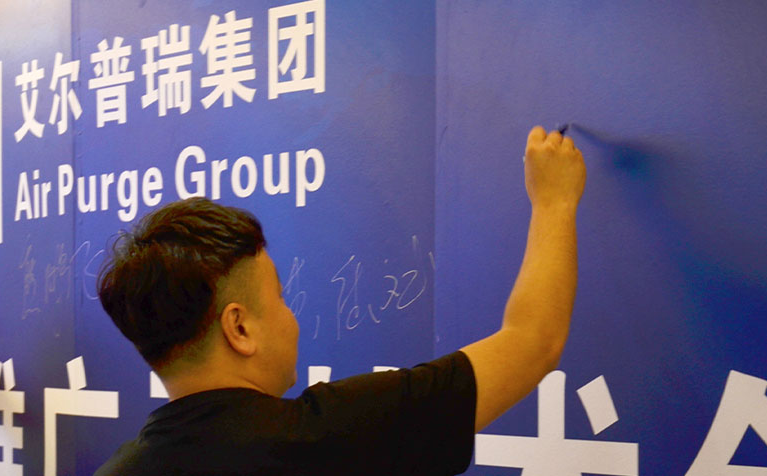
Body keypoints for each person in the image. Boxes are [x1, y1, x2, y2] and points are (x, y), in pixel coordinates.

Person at [94, 126, 586, 475]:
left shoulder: (121, 469)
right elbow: (533, 342)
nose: (292, 319)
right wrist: (554, 203)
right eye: (280, 298)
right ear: (239, 328)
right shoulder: (328, 437)